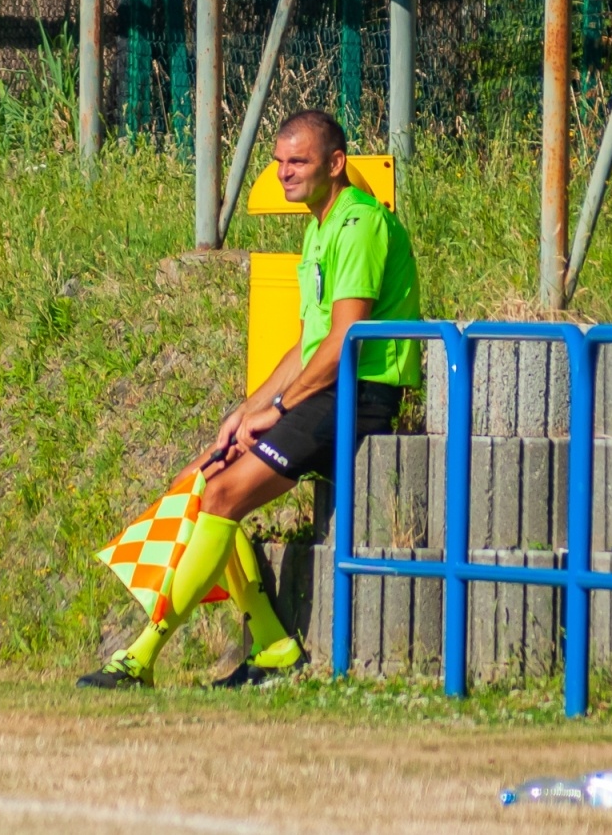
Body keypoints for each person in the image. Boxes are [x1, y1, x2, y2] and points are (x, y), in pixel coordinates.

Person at [78, 108, 422, 689]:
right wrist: (245, 409)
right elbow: (305, 344)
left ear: (336, 164)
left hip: (359, 395)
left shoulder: (359, 225)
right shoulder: (319, 227)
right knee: (207, 477)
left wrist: (279, 410)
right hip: (325, 390)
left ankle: (140, 657)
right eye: (279, 162)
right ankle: (274, 645)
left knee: (223, 492)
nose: (285, 173)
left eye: (299, 161)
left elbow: (343, 344)